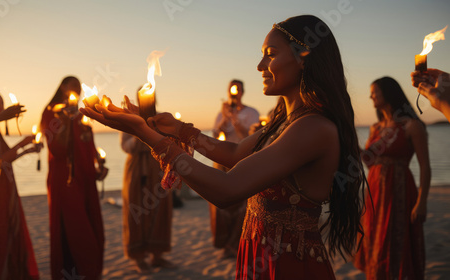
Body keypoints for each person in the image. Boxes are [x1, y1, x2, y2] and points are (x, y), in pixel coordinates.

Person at [81, 15, 367, 280]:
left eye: (270, 54)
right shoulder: (284, 122)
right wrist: (177, 130)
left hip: (289, 266)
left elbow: (228, 189)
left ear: (304, 57)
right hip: (259, 256)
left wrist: (144, 133)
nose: (259, 66)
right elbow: (232, 155)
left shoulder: (313, 128)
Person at [354, 77, 430, 279]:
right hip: (375, 192)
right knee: (375, 239)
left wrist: (422, 202)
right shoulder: (376, 128)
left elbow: (425, 166)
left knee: (396, 239)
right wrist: (352, 143)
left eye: (374, 91)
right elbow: (369, 162)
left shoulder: (411, 126)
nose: (371, 96)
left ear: (388, 93)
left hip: (399, 190)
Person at [40, 76, 105, 280]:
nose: (76, 90)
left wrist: (97, 167)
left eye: (79, 86)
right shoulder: (52, 113)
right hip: (65, 180)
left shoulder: (81, 114)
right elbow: (57, 150)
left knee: (93, 230)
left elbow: (87, 145)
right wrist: (66, 122)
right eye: (72, 85)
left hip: (86, 179)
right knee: (76, 231)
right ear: (63, 87)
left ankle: (90, 274)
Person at [0, 91, 40, 280]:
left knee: (8, 231)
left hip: (6, 187)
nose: (0, 107)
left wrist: (28, 149)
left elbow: (5, 162)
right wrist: (22, 143)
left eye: (1, 103)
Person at [211, 79, 259, 259]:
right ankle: (225, 244)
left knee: (243, 205)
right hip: (222, 159)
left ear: (242, 92)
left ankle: (237, 243)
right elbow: (216, 134)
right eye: (232, 89)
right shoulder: (222, 112)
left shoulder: (251, 112)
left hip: (242, 159)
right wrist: (225, 117)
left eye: (237, 89)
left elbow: (249, 137)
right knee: (222, 204)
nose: (234, 93)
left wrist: (235, 120)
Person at [121, 130, 175, 274]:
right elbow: (125, 146)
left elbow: (169, 145)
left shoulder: (158, 118)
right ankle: (139, 258)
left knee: (160, 208)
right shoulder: (127, 119)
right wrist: (137, 130)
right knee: (136, 209)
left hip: (157, 166)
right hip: (137, 167)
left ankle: (157, 255)